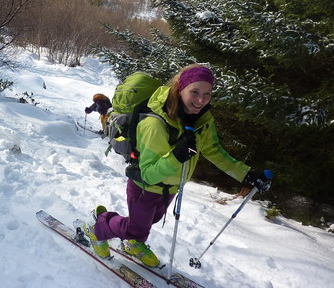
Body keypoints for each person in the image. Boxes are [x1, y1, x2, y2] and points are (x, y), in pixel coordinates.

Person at [83, 64, 272, 266]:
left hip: (171, 187)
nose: (201, 100)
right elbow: (148, 173)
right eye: (195, 92)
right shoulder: (155, 123)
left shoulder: (201, 119)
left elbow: (213, 150)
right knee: (136, 229)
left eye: (207, 93)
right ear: (179, 88)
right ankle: (98, 226)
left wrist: (246, 175)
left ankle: (132, 243)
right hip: (145, 187)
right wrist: (177, 156)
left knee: (150, 221)